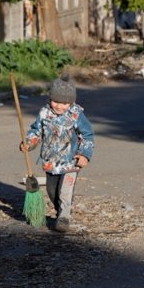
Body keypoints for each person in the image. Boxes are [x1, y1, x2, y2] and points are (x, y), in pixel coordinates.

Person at [20, 73, 94, 232]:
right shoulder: (44, 113)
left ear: (71, 101)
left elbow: (87, 135)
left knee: (65, 192)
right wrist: (29, 142)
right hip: (51, 161)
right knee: (52, 191)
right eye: (55, 101)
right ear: (49, 98)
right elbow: (36, 131)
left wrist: (84, 154)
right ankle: (60, 210)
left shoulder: (76, 115)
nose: (59, 106)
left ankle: (64, 217)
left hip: (70, 161)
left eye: (64, 103)